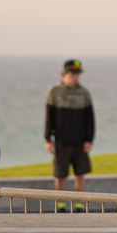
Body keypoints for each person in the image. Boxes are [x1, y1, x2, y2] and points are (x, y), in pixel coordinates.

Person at [45, 58, 95, 212]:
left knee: (80, 174)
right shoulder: (54, 92)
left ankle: (79, 205)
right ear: (63, 74)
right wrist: (48, 139)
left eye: (77, 74)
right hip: (61, 141)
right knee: (60, 175)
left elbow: (90, 118)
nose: (75, 77)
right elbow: (49, 117)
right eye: (72, 73)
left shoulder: (84, 93)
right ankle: (61, 205)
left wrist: (89, 139)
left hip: (80, 142)